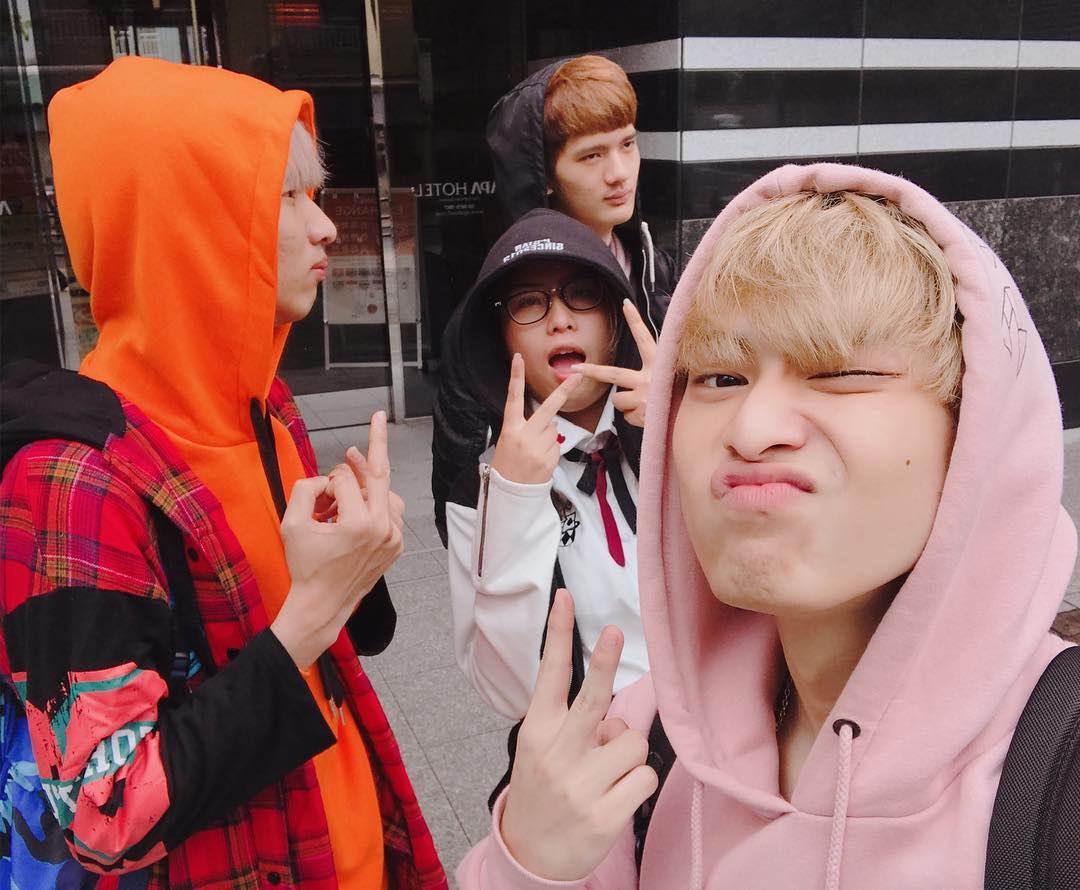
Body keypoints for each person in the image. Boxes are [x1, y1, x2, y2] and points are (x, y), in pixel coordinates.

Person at [456, 163, 1077, 889]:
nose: (752, 430)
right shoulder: (643, 740)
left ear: (975, 424)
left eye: (840, 372)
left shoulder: (1055, 785)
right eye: (720, 377)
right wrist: (526, 865)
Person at [0, 57, 446, 889]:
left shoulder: (264, 406)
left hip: (349, 846)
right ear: (188, 221)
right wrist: (311, 613)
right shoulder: (73, 478)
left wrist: (356, 561)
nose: (325, 227)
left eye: (315, 195)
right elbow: (102, 812)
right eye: (287, 197)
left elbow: (330, 646)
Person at [431, 54, 678, 544]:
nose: (620, 173)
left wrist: (676, 414)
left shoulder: (660, 273)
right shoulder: (488, 314)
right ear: (543, 174)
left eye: (628, 144)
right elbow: (460, 504)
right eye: (591, 156)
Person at [446, 208, 656, 721]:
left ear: (616, 319)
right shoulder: (483, 486)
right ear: (501, 340)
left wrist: (686, 436)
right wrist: (513, 500)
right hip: (598, 750)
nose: (560, 318)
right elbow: (507, 693)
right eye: (529, 303)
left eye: (583, 294)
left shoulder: (679, 424)